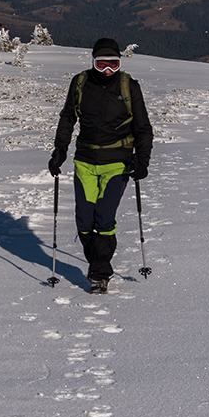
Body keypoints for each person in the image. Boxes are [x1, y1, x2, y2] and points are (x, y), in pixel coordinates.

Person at [49, 37, 153, 293]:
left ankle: (99, 274)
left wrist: (142, 160)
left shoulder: (129, 87)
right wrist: (59, 152)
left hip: (118, 163)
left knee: (104, 218)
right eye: (102, 64)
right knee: (84, 222)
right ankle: (97, 263)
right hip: (85, 162)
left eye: (113, 64)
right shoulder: (81, 83)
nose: (107, 70)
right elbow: (67, 118)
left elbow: (142, 127)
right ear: (93, 62)